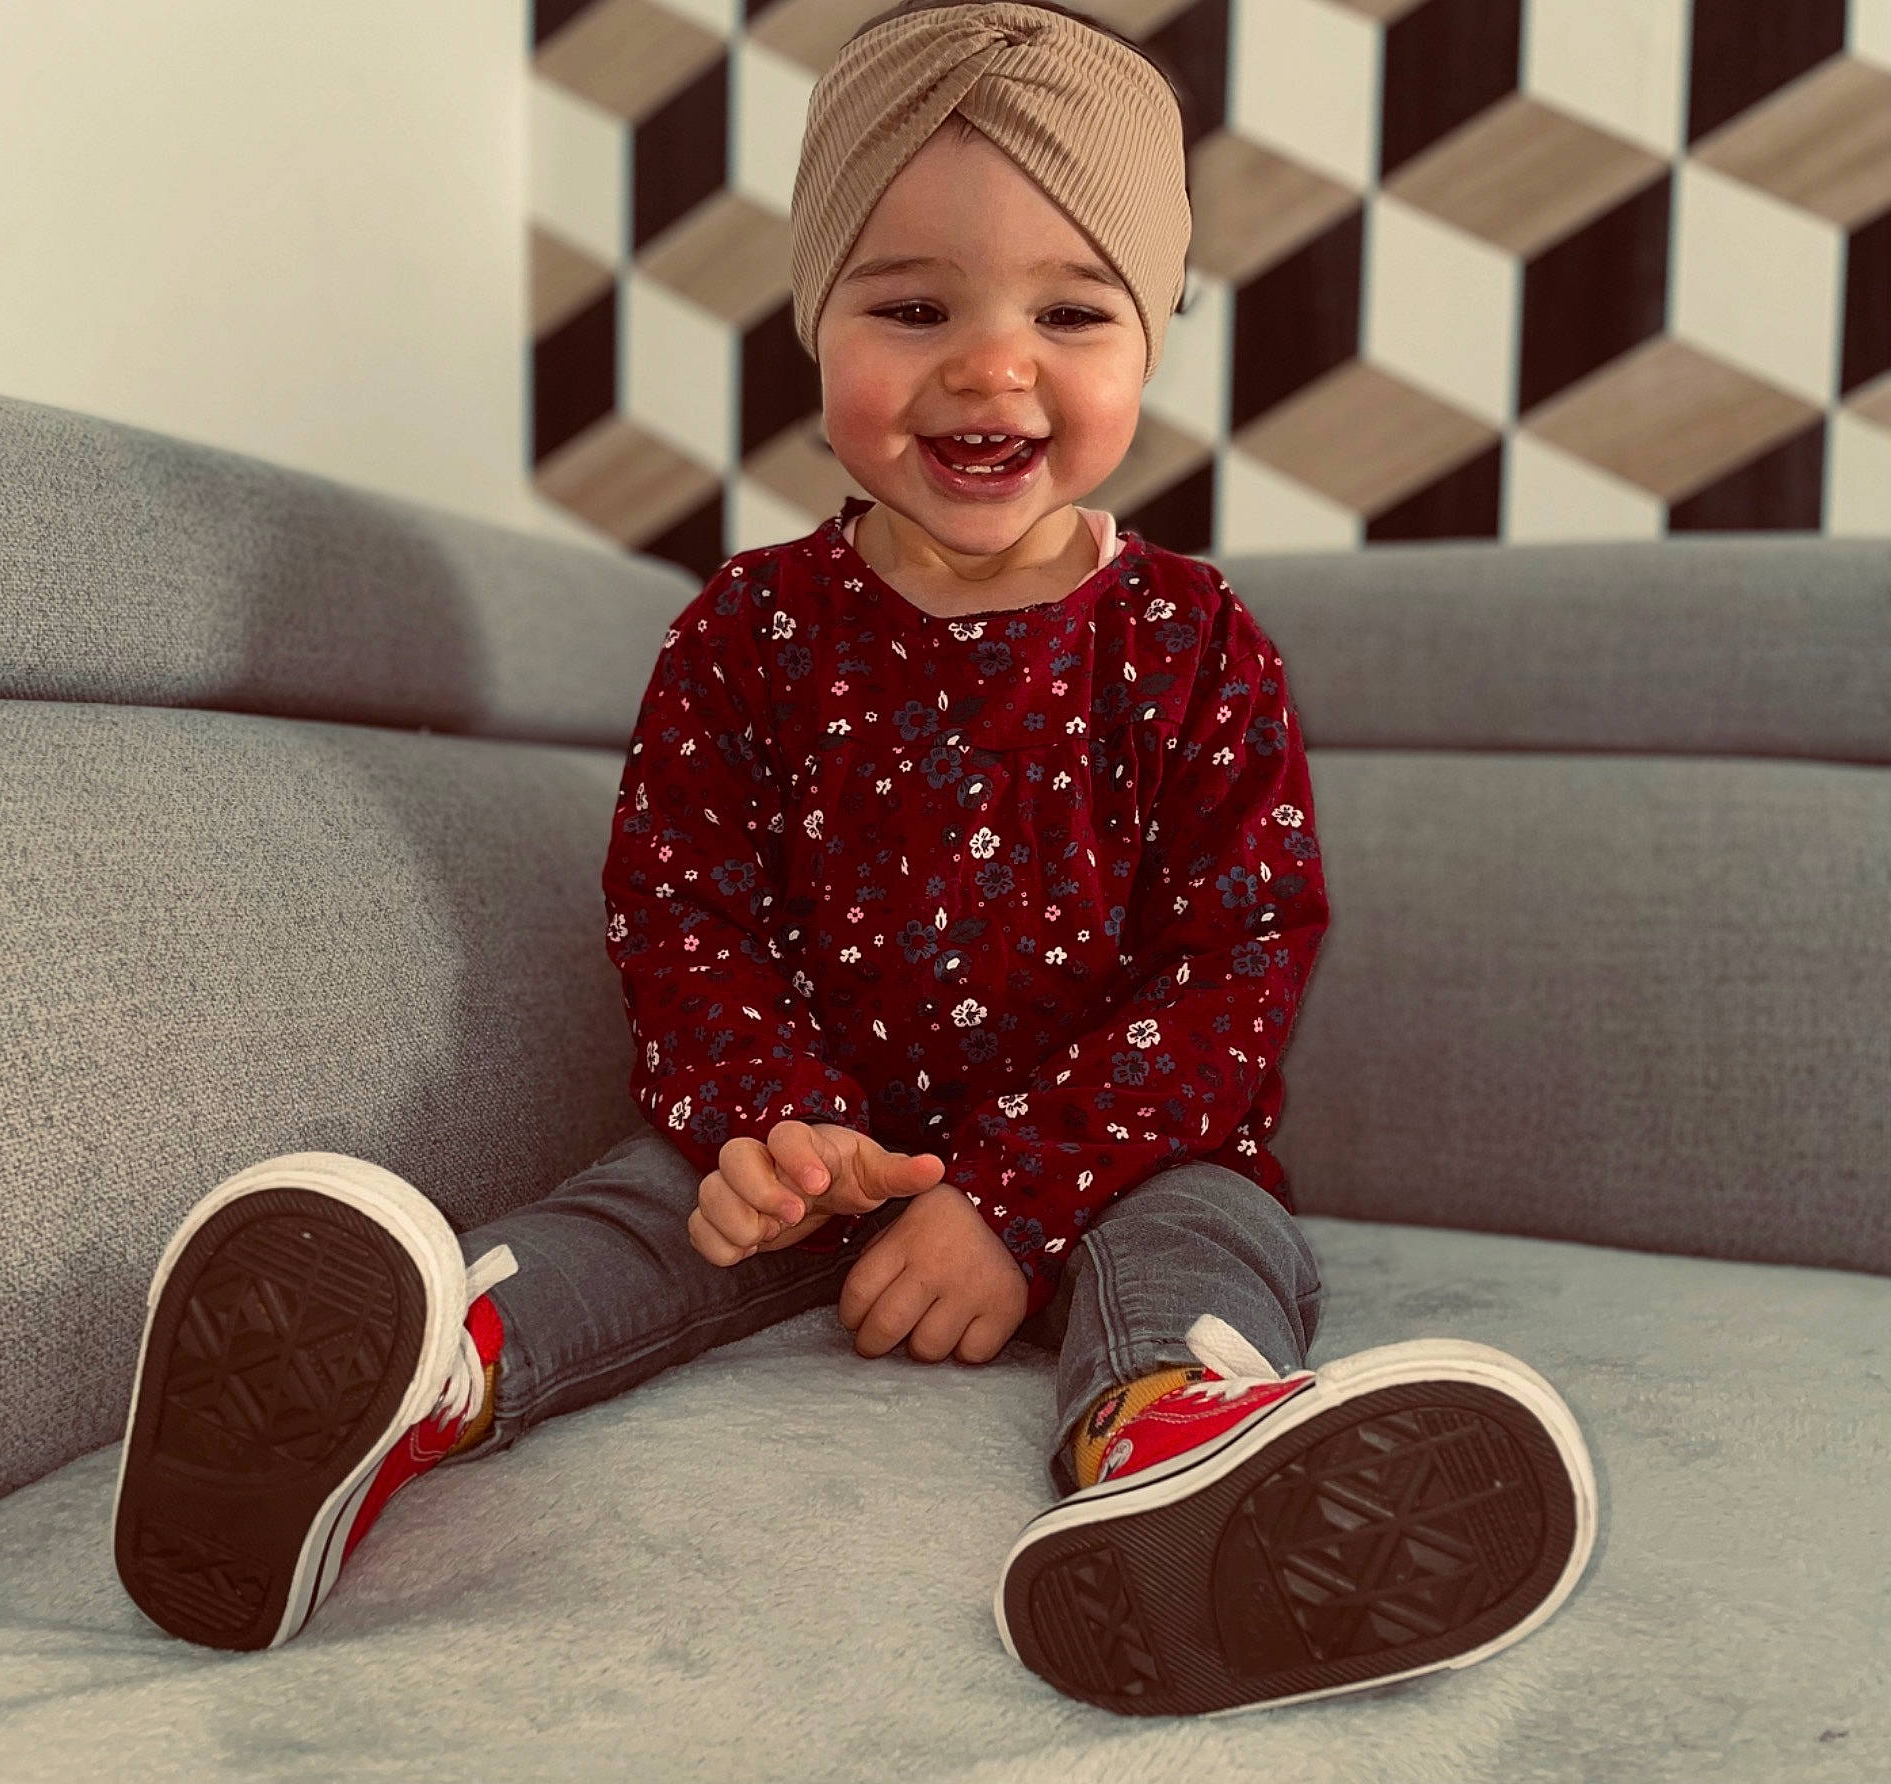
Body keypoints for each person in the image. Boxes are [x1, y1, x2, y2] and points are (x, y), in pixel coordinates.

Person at [110, 0, 1597, 1715]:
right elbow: (682, 913)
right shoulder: (746, 633)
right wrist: (772, 1122)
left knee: (1210, 1236)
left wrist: (1011, 1201)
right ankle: (420, 1378)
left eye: (1071, 312)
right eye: (912, 307)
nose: (991, 367)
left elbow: (1235, 975)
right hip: (809, 1160)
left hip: (1114, 1164)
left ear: (1152, 336)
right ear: (816, 318)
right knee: (634, 1211)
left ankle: (1183, 1454)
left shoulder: (1196, 647)